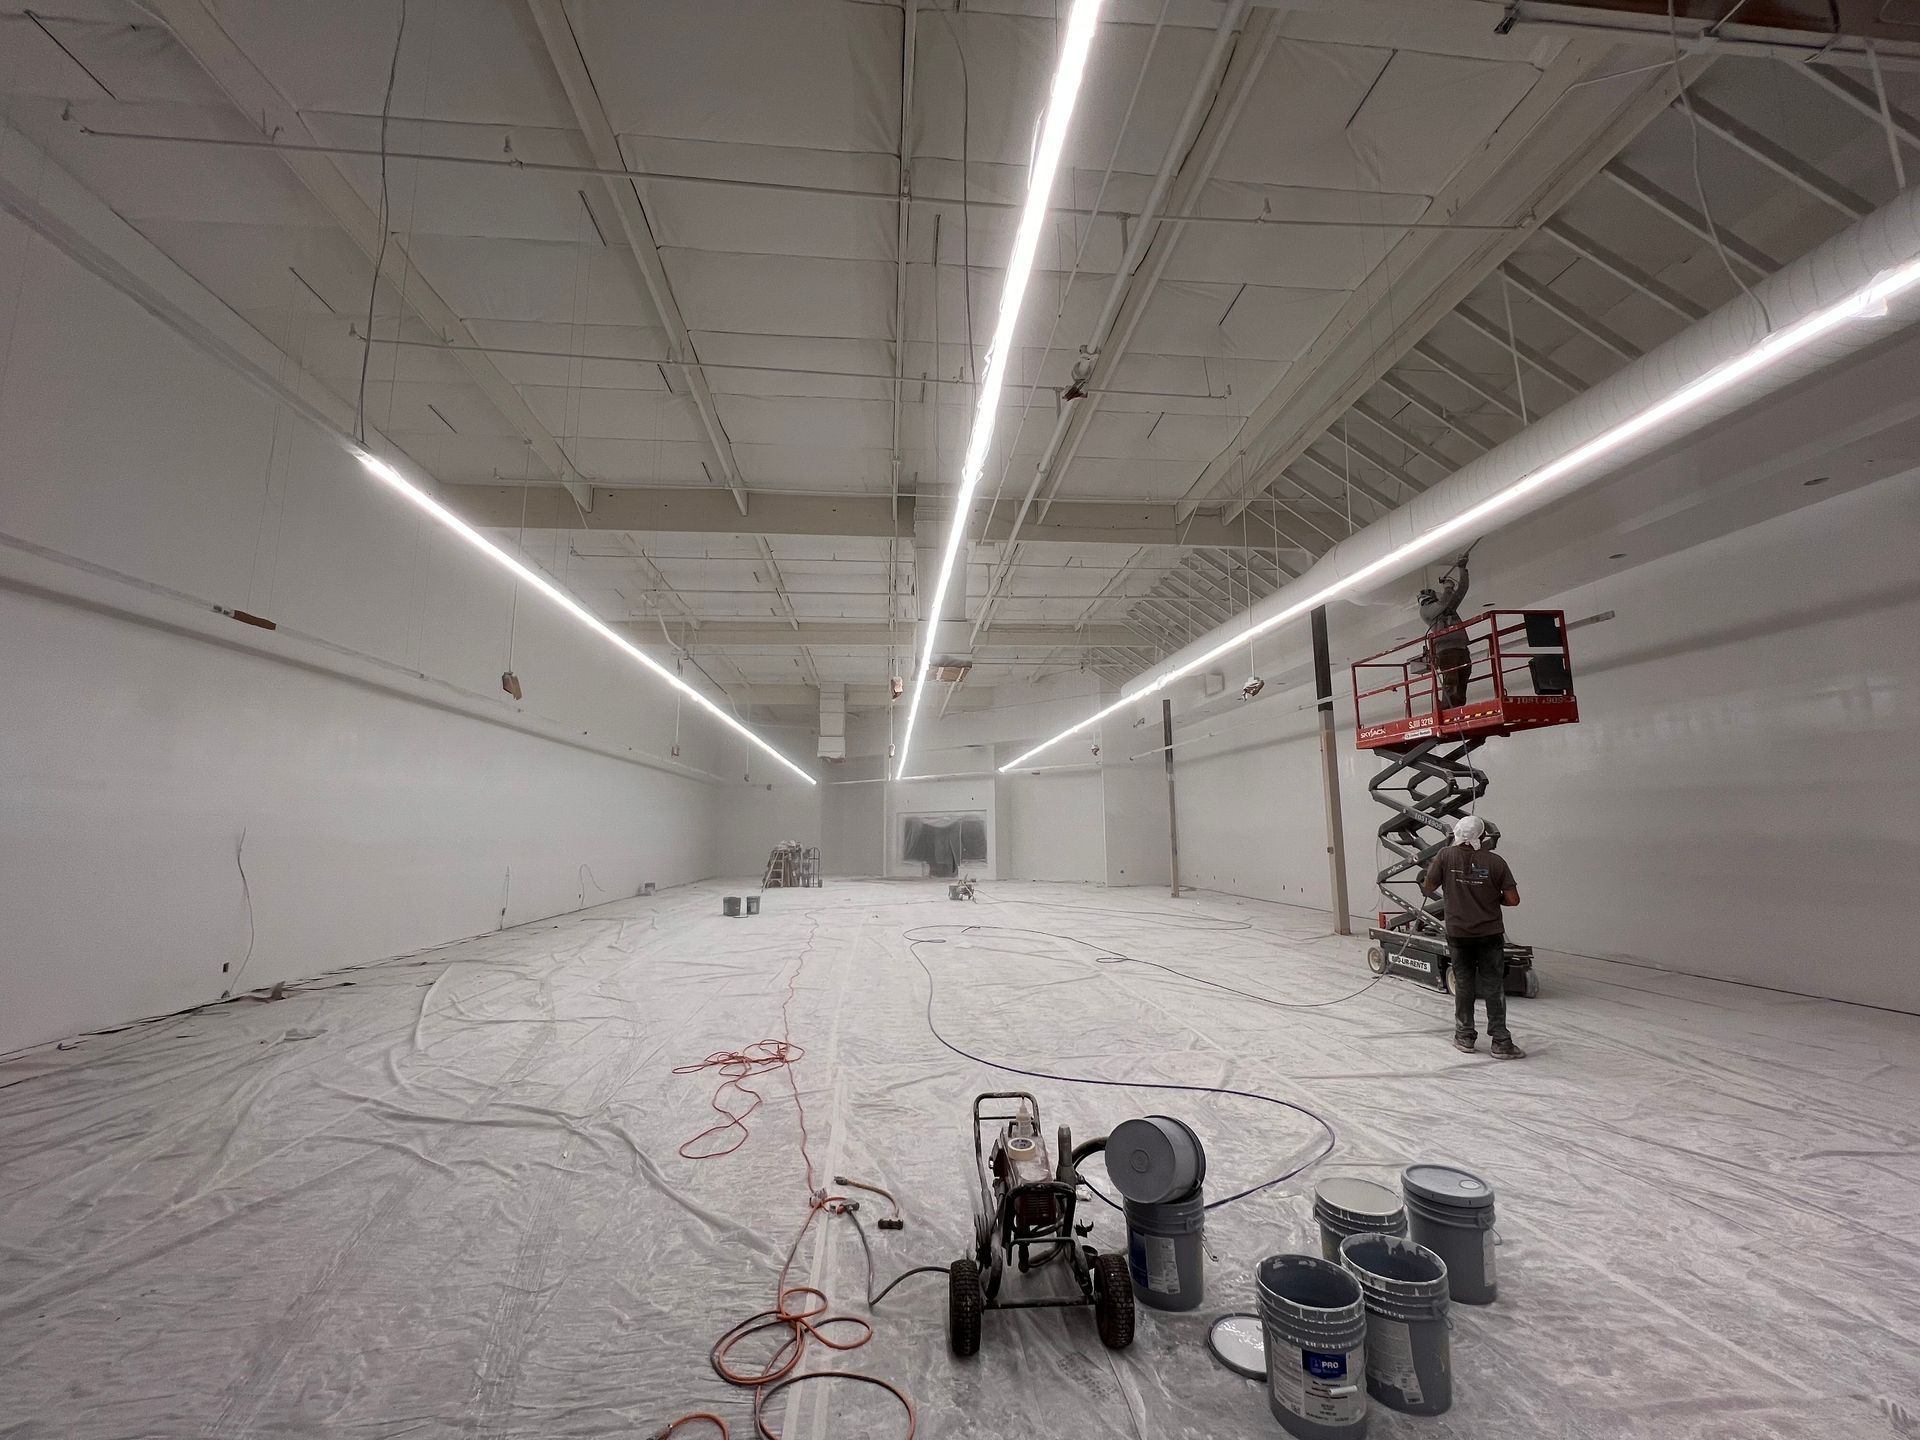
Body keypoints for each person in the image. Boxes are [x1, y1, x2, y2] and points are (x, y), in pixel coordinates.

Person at [1420, 814, 1525, 1059]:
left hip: (1459, 934)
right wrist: (1493, 898)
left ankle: (1465, 1036)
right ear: (1483, 836)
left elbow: (1429, 887)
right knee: (1493, 986)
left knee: (1464, 984)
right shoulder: (1496, 862)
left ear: (1456, 833)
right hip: (1489, 934)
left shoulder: (1445, 855)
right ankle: (1501, 1041)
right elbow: (1513, 899)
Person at [1417, 553, 1472, 710]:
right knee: (1451, 682)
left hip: (1461, 648)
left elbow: (1462, 590)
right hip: (1446, 650)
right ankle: (1448, 710)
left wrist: (1462, 569)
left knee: (1463, 679)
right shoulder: (1426, 611)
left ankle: (1457, 709)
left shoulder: (1447, 608)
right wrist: (1448, 588)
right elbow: (1441, 605)